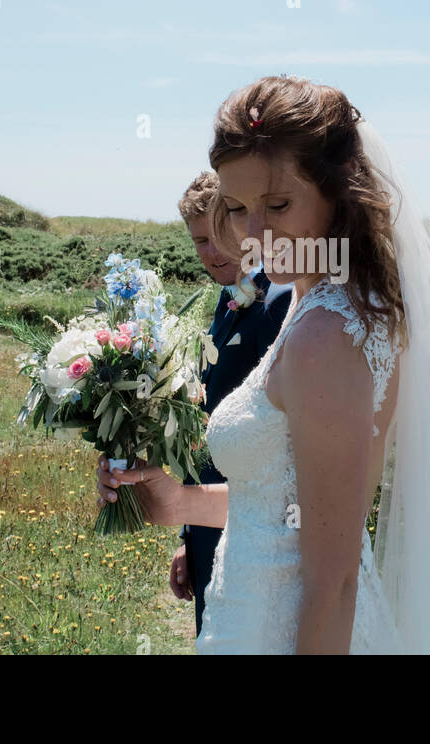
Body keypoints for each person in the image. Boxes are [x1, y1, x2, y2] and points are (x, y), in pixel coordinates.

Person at [104, 76, 430, 653]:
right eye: (240, 208)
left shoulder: (325, 335)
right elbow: (290, 511)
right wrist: (177, 503)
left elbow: (334, 582)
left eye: (280, 203)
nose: (258, 235)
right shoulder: (318, 300)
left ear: (338, 192)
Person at [96, 171, 289, 636]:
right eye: (199, 240)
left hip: (261, 534)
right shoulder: (225, 304)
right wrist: (188, 535)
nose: (211, 253)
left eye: (221, 236)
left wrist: (188, 511)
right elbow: (203, 427)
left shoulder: (282, 303)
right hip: (207, 526)